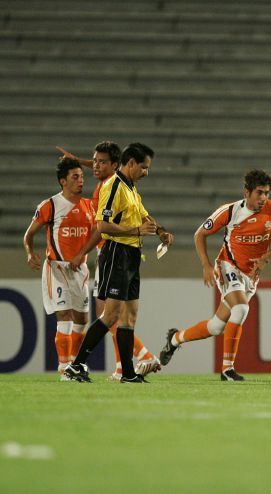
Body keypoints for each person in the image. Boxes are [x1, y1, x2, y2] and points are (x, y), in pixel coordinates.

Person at [158, 170, 271, 381]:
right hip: (228, 266)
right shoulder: (230, 211)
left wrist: (267, 257)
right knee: (241, 309)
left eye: (267, 193)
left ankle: (174, 339)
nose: (263, 198)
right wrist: (206, 265)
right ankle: (227, 369)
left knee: (216, 326)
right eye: (259, 193)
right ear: (246, 192)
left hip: (250, 275)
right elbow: (200, 234)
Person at [63, 143, 174, 383]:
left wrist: (161, 231)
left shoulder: (130, 187)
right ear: (131, 163)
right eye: (144, 167)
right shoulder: (112, 186)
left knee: (129, 316)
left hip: (132, 254)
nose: (146, 172)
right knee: (111, 315)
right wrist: (136, 230)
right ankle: (76, 365)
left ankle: (128, 374)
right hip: (117, 253)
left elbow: (143, 215)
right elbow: (102, 226)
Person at [23, 158, 95, 380]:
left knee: (82, 320)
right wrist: (30, 253)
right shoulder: (50, 206)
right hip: (56, 268)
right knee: (64, 316)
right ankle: (64, 368)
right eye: (75, 177)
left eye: (82, 176)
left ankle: (74, 363)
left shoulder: (90, 206)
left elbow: (97, 234)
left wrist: (86, 253)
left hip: (79, 270)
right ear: (63, 181)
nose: (81, 180)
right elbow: (29, 234)